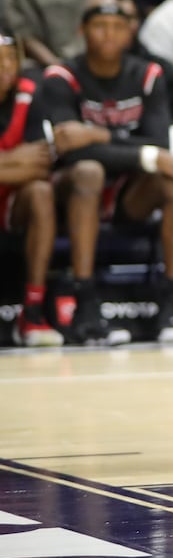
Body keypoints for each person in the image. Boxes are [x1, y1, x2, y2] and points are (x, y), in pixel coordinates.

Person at [37, 0, 173, 345]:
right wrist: (135, 148)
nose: (109, 34)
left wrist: (97, 134)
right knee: (89, 171)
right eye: (99, 26)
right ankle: (85, 301)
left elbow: (159, 144)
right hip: (70, 192)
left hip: (129, 191)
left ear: (130, 33)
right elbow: (67, 149)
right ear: (82, 31)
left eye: (118, 26)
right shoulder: (61, 77)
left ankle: (171, 302)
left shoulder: (149, 74)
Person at [0, 28, 63, 346]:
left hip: (12, 200)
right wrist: (13, 160)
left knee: (41, 190)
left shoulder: (30, 93)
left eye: (10, 60)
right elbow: (24, 162)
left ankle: (33, 311)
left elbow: (40, 164)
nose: (4, 69)